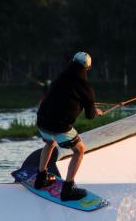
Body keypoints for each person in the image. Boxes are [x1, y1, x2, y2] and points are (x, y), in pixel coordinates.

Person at [34, 52, 102, 201]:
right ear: (87, 68)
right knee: (79, 150)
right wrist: (95, 111)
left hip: (41, 122)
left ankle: (41, 178)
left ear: (72, 62)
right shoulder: (86, 87)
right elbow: (90, 116)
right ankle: (68, 189)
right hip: (59, 127)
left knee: (50, 143)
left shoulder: (60, 78)